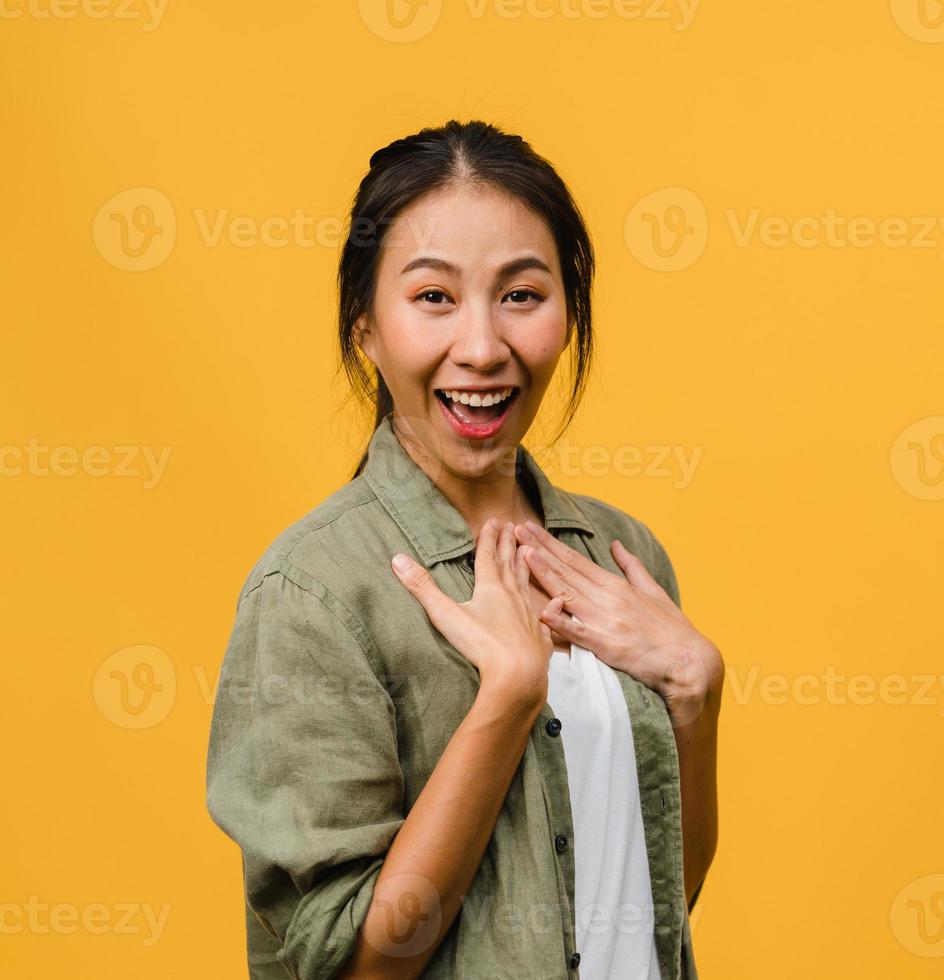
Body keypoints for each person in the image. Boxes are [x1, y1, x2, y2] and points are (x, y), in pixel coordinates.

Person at [204, 120, 723, 980]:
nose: (482, 349)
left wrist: (697, 697)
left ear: (570, 311)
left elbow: (660, 899)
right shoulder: (313, 593)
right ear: (366, 327)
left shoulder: (624, 557)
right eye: (434, 298)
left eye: (522, 294)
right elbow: (347, 968)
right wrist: (508, 697)